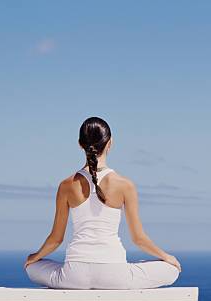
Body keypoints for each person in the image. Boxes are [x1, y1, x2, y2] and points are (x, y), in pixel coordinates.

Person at [24, 116, 181, 289]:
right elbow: (139, 239)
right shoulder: (125, 185)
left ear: (80, 144)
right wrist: (167, 257)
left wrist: (35, 257)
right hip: (114, 275)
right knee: (170, 269)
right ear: (110, 143)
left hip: (74, 275)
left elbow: (56, 239)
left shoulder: (66, 185)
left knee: (32, 267)